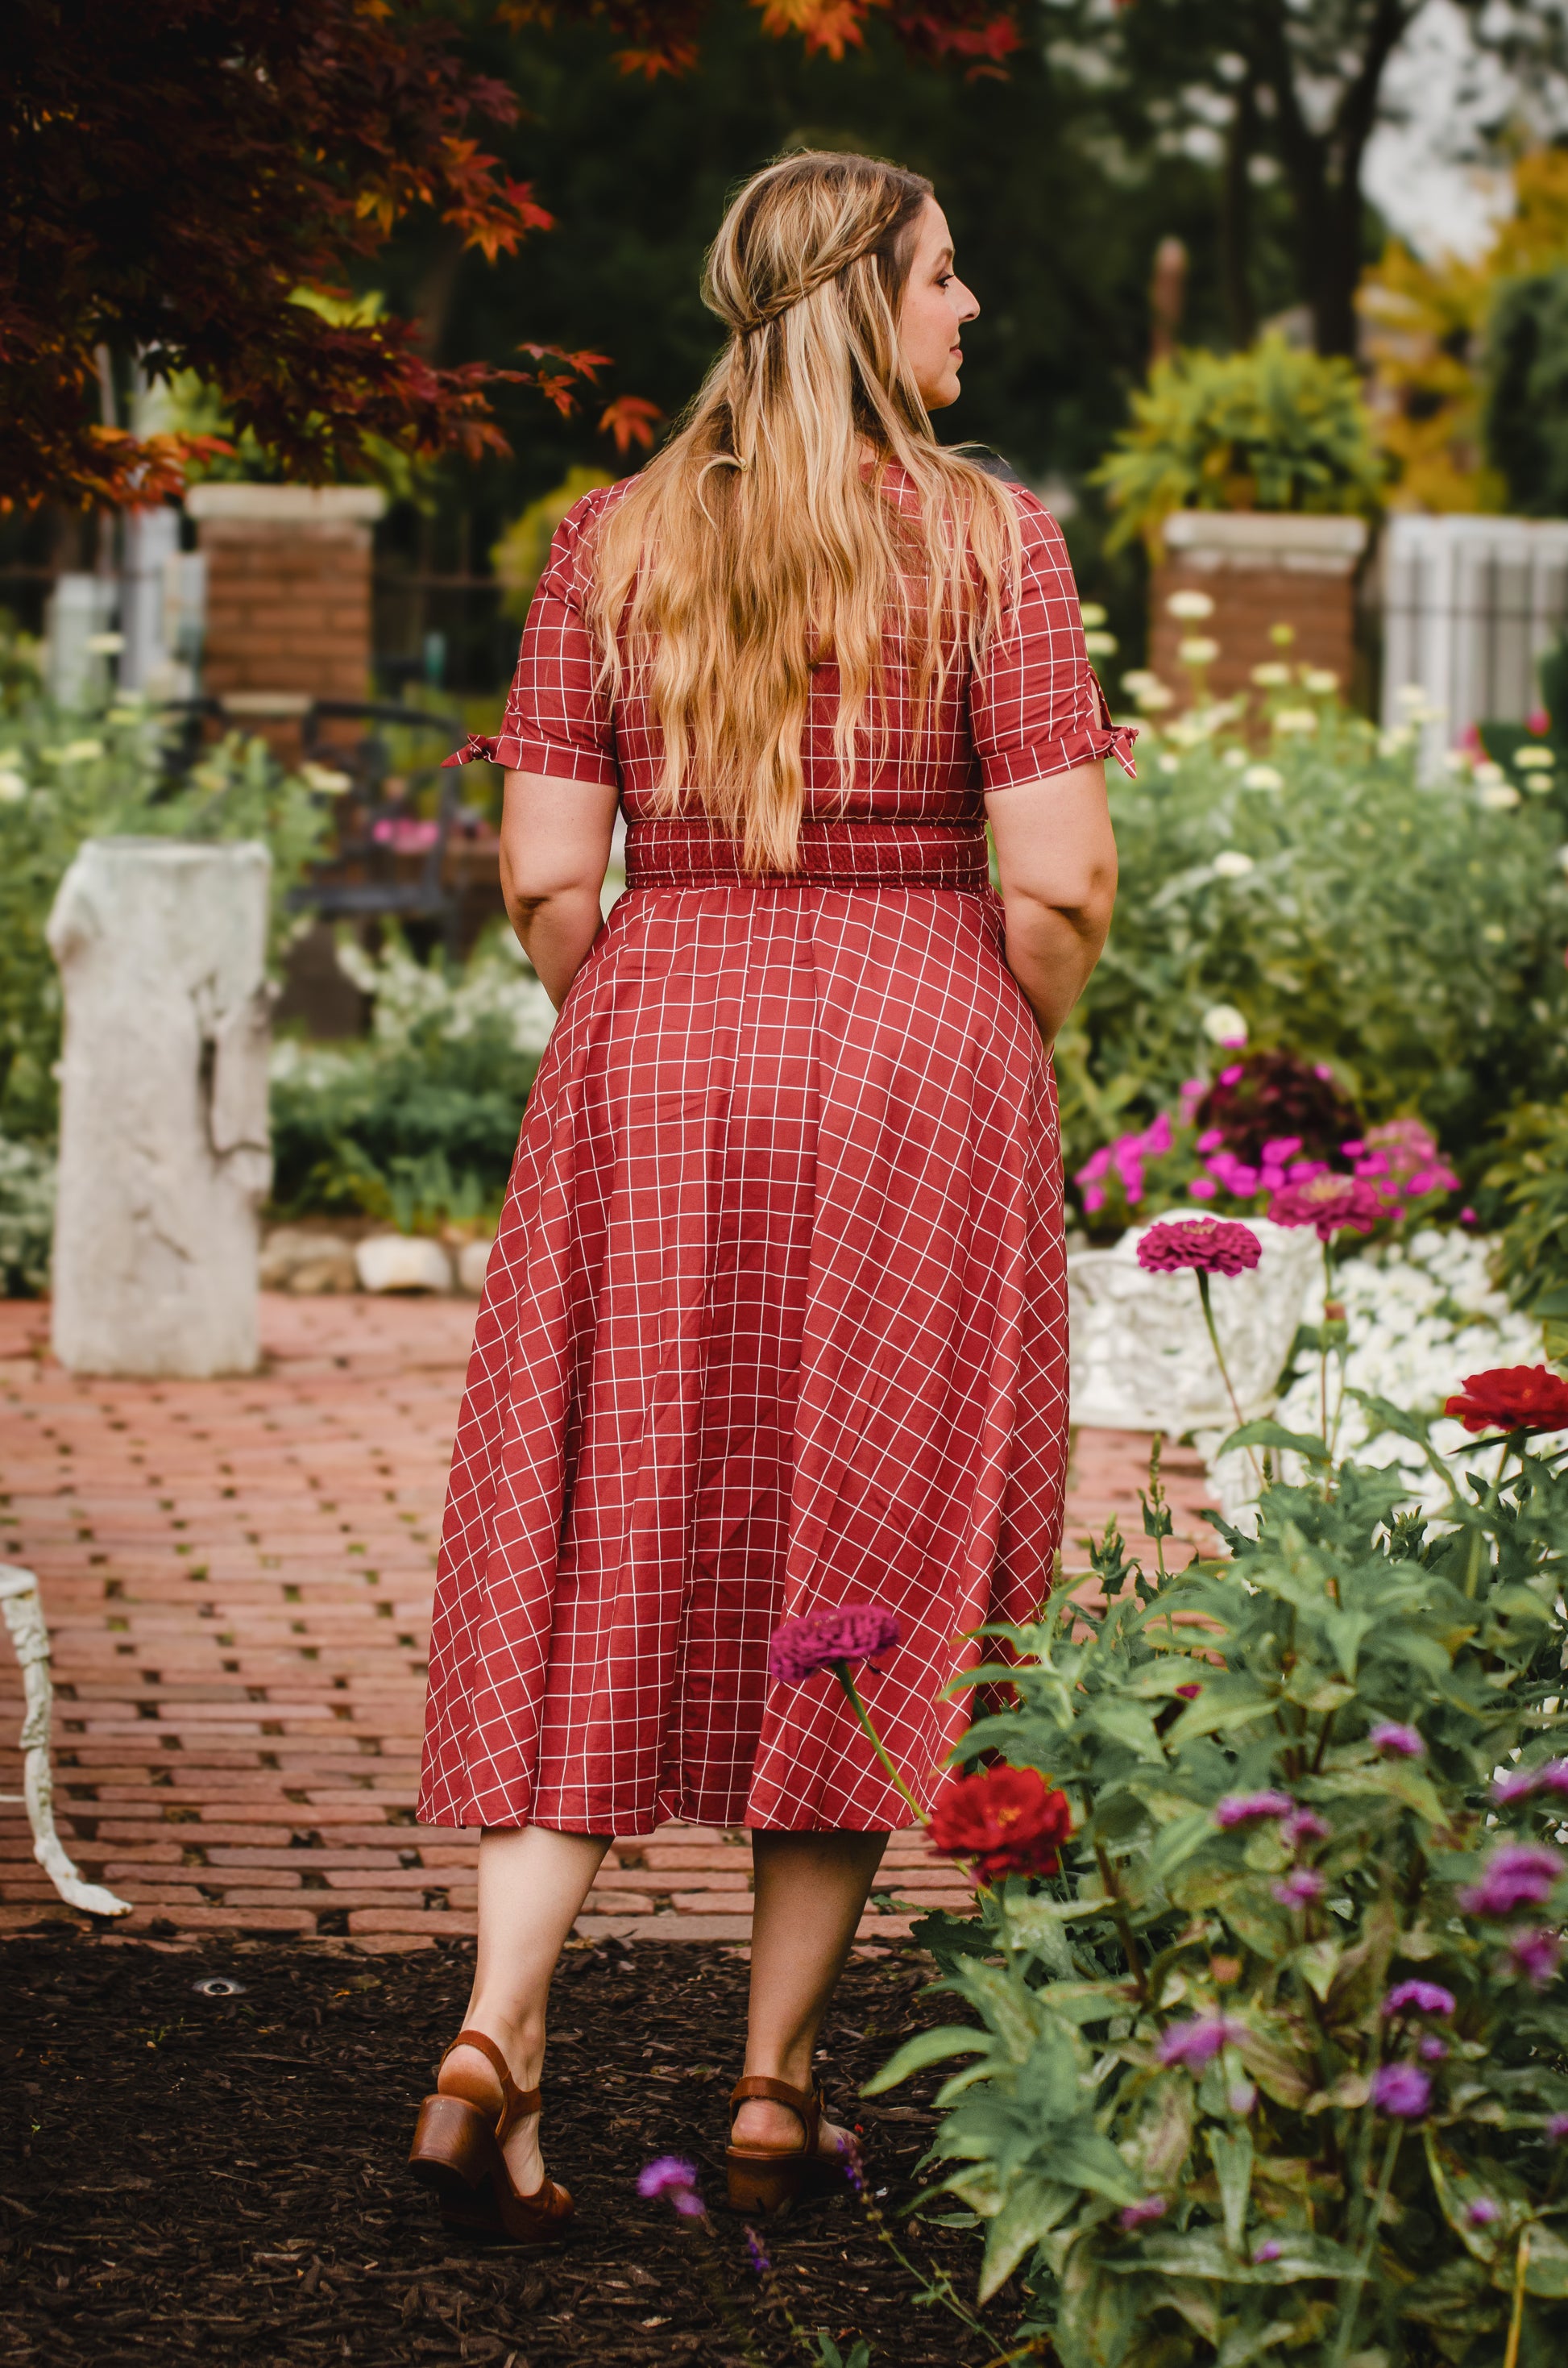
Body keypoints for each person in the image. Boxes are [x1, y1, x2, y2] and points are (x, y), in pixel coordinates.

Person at [408, 147, 1128, 2240]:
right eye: (945, 271)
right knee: (866, 1548)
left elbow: (549, 872)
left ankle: (490, 2029)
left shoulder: (605, 541)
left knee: (595, 1532)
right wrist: (1006, 1026)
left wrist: (646, 998)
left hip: (653, 1036)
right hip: (921, 1044)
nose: (967, 308)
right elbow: (1062, 876)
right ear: (869, 298)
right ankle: (769, 2086)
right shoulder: (995, 541)